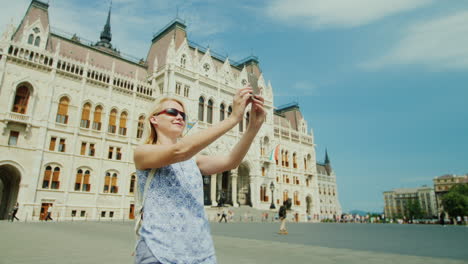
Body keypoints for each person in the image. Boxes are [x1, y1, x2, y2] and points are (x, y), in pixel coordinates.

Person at [133, 86, 265, 264]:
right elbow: (179, 151)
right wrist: (234, 118)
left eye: (183, 115)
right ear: (154, 119)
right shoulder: (142, 153)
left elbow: (231, 162)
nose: (179, 117)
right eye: (172, 112)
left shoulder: (193, 161)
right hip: (159, 253)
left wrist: (253, 128)